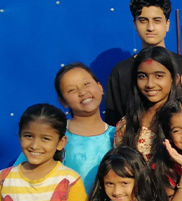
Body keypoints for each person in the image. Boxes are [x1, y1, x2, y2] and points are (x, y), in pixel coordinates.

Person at [14, 63, 115, 193]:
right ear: (63, 101)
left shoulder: (119, 134)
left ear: (100, 87)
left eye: (86, 84)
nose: (82, 92)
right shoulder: (53, 135)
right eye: (72, 90)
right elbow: (18, 176)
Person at [105, 0, 182, 126]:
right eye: (143, 20)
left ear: (167, 24)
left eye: (157, 20)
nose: (150, 27)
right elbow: (113, 123)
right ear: (135, 24)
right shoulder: (121, 71)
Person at [113, 46, 181, 161]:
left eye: (159, 76)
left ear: (175, 80)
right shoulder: (126, 125)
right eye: (142, 76)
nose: (150, 84)